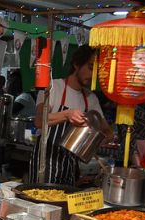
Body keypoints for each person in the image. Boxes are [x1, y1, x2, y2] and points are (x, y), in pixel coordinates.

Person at [29, 45, 103, 185]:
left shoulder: (91, 99)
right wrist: (67, 114)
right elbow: (39, 121)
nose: (93, 75)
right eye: (91, 67)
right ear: (76, 64)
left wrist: (92, 144)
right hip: (46, 164)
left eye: (97, 71)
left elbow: (106, 132)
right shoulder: (53, 87)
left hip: (70, 168)